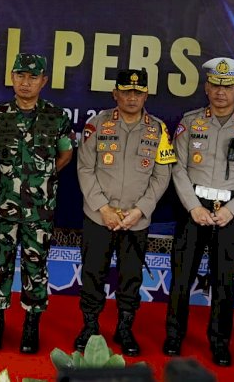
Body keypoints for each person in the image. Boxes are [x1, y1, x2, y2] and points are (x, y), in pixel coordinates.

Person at [164, 57, 234, 367]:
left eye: (228, 86)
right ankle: (173, 336)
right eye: (215, 85)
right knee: (181, 277)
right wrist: (193, 207)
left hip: (229, 213)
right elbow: (177, 167)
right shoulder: (190, 120)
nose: (221, 92)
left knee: (224, 280)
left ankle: (220, 342)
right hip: (193, 209)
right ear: (207, 88)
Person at [0, 53, 75, 354]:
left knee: (36, 268)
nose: (26, 82)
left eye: (33, 77)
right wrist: (9, 179)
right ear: (12, 78)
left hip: (39, 212)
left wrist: (40, 179)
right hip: (2, 208)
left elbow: (65, 155)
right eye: (20, 75)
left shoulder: (57, 116)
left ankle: (31, 327)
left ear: (44, 81)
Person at [75, 69, 175, 355]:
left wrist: (141, 210)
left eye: (138, 92)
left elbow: (162, 175)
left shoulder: (158, 130)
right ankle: (90, 327)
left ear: (146, 95)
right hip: (99, 217)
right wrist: (103, 208)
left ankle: (124, 329)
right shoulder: (97, 124)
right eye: (126, 92)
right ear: (115, 94)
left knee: (131, 277)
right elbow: (84, 168)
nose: (132, 98)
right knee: (94, 274)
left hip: (136, 220)